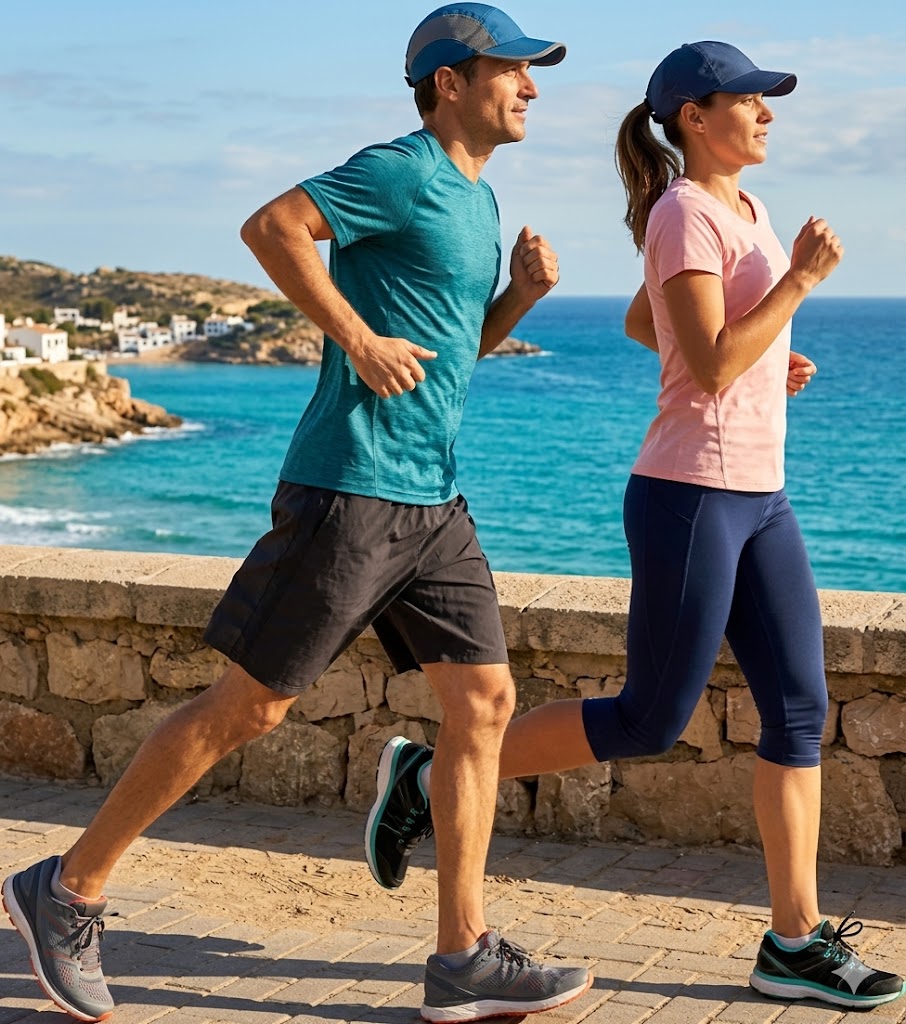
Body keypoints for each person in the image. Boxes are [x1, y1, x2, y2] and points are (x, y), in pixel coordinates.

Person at [1, 5, 594, 1022]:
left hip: (434, 501)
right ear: (450, 80)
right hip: (351, 488)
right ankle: (67, 890)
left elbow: (453, 355)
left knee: (485, 704)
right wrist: (357, 337)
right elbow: (272, 228)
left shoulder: (482, 203)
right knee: (251, 708)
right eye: (513, 68)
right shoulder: (401, 170)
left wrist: (521, 300)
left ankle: (461, 955)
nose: (532, 86)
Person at [365, 40, 906, 1012]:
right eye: (750, 99)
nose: (767, 114)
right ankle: (432, 777)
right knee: (649, 717)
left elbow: (641, 323)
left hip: (762, 497)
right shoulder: (681, 210)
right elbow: (701, 365)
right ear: (695, 115)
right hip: (690, 495)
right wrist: (800, 288)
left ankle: (793, 940)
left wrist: (770, 355)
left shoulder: (745, 210)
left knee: (800, 711)